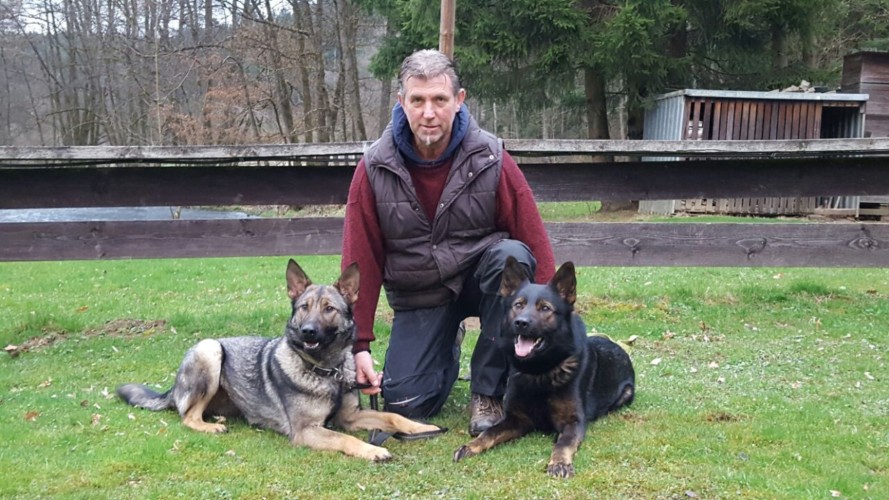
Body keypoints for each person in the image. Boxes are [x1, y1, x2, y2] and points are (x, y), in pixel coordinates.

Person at [341, 48, 555, 436]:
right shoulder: (374, 167)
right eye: (417, 100)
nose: (429, 112)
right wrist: (359, 346)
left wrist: (554, 326)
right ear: (401, 102)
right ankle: (445, 345)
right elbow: (361, 261)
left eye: (439, 99)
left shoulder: (490, 157)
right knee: (406, 404)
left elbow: (533, 237)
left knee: (512, 255)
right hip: (421, 294)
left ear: (459, 100)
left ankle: (488, 392)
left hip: (483, 281)